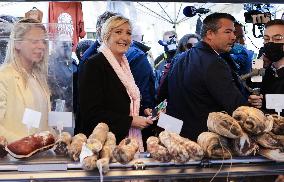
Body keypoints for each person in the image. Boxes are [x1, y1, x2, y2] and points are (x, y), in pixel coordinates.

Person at [167, 13, 262, 141]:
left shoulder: (179, 58)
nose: (234, 37)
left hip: (179, 137)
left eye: (233, 32)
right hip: (207, 141)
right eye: (228, 32)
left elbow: (163, 96)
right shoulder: (214, 62)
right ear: (210, 34)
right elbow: (237, 108)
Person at [78, 15, 153, 150]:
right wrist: (130, 121)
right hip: (103, 147)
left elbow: (121, 103)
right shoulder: (94, 65)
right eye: (118, 32)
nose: (124, 37)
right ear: (106, 36)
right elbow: (90, 113)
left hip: (124, 145)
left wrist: (144, 110)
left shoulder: (124, 65)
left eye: (128, 33)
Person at [0, 18, 52, 143]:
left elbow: (43, 122)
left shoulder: (38, 77)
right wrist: (25, 144)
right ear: (17, 44)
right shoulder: (4, 76)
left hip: (38, 155)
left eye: (43, 41)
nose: (41, 46)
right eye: (34, 41)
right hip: (13, 157)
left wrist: (55, 137)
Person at [260, 19, 284, 116]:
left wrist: (264, 99)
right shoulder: (266, 70)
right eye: (266, 39)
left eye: (277, 39)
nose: (270, 43)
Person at [48, 34, 76, 112]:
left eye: (70, 45)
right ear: (56, 46)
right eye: (64, 45)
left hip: (73, 107)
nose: (68, 48)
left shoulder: (73, 62)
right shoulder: (50, 63)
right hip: (57, 107)